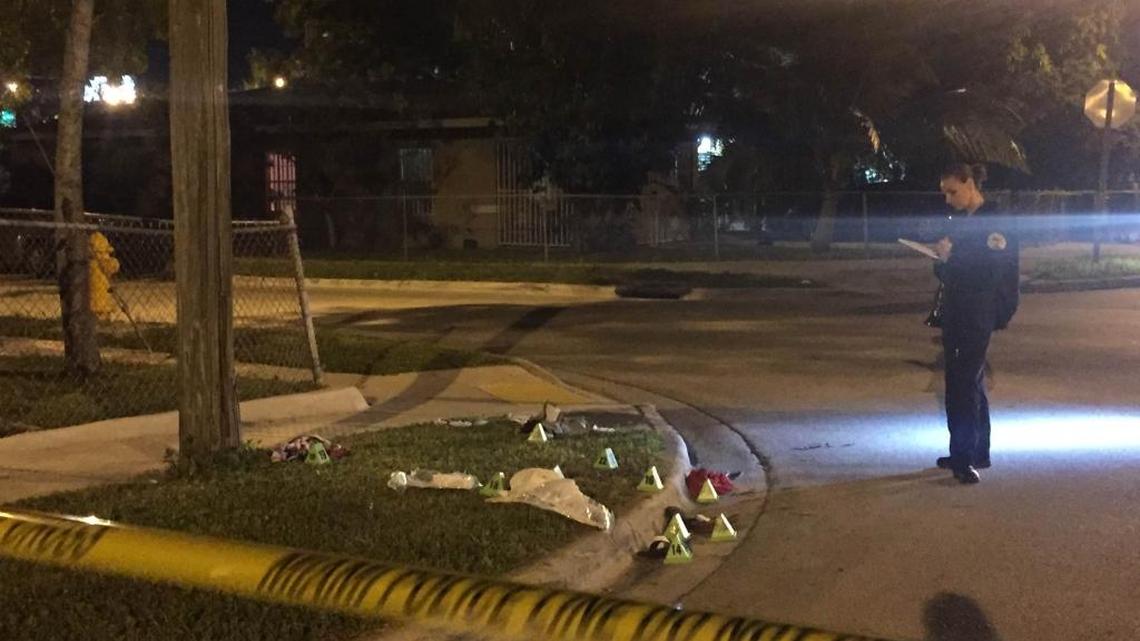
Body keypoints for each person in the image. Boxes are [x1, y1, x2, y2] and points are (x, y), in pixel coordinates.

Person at [932, 163, 1019, 484]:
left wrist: (948, 261)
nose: (948, 199)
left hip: (976, 313)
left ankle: (964, 458)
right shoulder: (965, 222)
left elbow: (988, 275)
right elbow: (950, 273)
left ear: (970, 185)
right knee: (969, 381)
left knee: (962, 384)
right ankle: (975, 452)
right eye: (944, 193)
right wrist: (943, 262)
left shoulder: (994, 223)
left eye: (952, 191)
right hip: (959, 311)